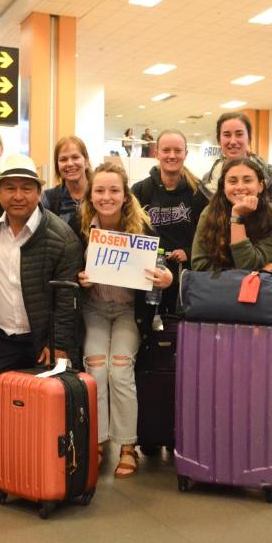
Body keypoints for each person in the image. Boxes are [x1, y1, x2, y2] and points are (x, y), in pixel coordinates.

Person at [0, 154, 83, 456]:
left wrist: (58, 343)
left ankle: (37, 459)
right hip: (0, 334)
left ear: (39, 193)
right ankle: (2, 456)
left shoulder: (61, 237)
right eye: (10, 188)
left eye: (27, 188)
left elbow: (67, 298)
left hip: (41, 339)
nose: (18, 196)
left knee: (40, 403)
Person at [76, 162, 173, 477]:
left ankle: (128, 446)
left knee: (119, 369)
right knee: (96, 367)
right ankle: (99, 440)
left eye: (114, 190)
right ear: (91, 196)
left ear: (125, 195)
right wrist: (79, 279)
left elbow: (163, 272)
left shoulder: (143, 230)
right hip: (94, 309)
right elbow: (66, 273)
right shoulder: (79, 231)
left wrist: (166, 278)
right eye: (100, 190)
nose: (107, 196)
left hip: (129, 313)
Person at [131, 129, 208, 313]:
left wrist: (189, 252)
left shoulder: (199, 193)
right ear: (156, 153)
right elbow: (128, 230)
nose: (172, 155)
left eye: (177, 150)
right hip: (148, 278)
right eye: (166, 150)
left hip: (186, 279)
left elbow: (209, 236)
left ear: (186, 154)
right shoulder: (141, 190)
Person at [192, 156, 272, 272]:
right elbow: (199, 265)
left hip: (260, 289)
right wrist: (259, 270)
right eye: (232, 181)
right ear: (223, 187)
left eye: (247, 180)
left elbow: (247, 264)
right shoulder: (210, 213)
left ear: (260, 186)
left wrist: (236, 217)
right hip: (217, 288)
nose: (240, 187)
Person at [200, 112, 272, 205]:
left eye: (239, 134)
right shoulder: (207, 181)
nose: (233, 141)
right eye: (227, 135)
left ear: (249, 138)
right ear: (219, 140)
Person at [42, 136, 92, 226]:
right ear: (57, 166)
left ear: (86, 162)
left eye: (75, 157)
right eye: (63, 159)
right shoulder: (48, 199)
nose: (69, 164)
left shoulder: (101, 196)